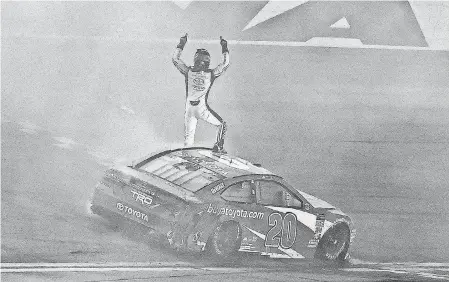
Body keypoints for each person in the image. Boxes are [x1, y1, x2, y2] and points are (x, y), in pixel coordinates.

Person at [172, 33, 230, 153]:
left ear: (195, 59)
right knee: (221, 125)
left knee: (189, 138)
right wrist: (224, 46)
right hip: (202, 109)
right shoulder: (211, 74)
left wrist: (181, 43)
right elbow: (225, 63)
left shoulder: (188, 72)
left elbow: (175, 59)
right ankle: (218, 147)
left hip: (189, 109)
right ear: (208, 62)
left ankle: (187, 156)